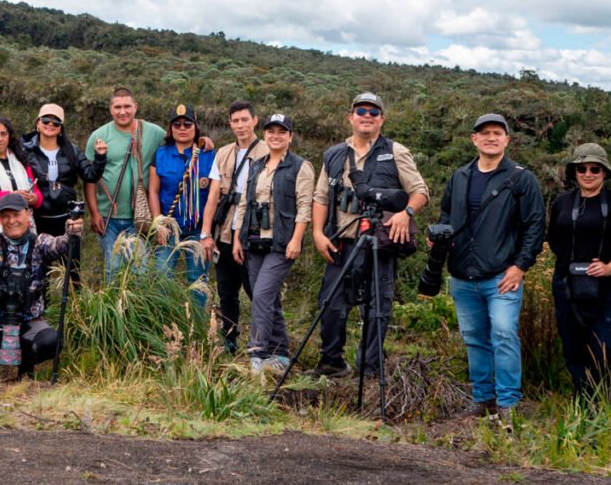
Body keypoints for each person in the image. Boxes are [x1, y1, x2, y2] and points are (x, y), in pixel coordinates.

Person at [310, 92, 429, 378]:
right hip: (341, 241)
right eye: (361, 111)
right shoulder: (334, 154)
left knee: (378, 306)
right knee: (332, 303)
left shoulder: (396, 151)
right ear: (350, 117)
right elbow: (320, 197)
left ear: (382, 120)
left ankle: (369, 369)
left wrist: (406, 213)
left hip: (380, 243)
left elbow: (420, 192)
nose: (367, 116)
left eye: (373, 112)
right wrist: (316, 233)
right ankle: (332, 363)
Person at [439, 113, 544, 419]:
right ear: (474, 139)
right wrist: (441, 236)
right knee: (474, 337)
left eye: (497, 133)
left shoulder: (522, 179)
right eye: (484, 133)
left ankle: (508, 403)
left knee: (503, 334)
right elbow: (447, 215)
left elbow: (535, 226)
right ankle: (482, 399)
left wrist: (520, 266)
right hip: (462, 274)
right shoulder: (459, 177)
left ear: (507, 140)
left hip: (501, 275)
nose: (491, 137)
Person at [0, 193, 83, 383]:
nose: (12, 221)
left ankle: (25, 366)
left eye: (16, 214)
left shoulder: (39, 243)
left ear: (28, 214)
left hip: (28, 323)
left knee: (52, 341)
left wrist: (71, 232)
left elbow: (60, 245)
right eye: (6, 216)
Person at [547, 143, 611, 396]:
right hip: (567, 285)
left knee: (605, 345)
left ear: (604, 172)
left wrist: (609, 268)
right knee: (573, 344)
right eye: (581, 169)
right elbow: (553, 239)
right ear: (574, 172)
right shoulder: (562, 202)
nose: (588, 174)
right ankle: (583, 398)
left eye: (594, 169)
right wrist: (573, 266)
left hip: (607, 287)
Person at [232, 114, 314, 372]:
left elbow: (304, 206)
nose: (275, 135)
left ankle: (258, 352)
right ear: (265, 134)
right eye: (271, 131)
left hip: (281, 242)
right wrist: (237, 238)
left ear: (290, 136)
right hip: (254, 240)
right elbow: (244, 203)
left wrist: (297, 239)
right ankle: (281, 353)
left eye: (282, 131)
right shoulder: (256, 165)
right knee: (266, 298)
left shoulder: (301, 166)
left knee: (263, 295)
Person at [200, 101, 269, 352]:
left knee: (256, 291)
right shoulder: (224, 153)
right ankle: (229, 340)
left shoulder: (266, 151)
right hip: (224, 231)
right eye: (235, 121)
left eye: (244, 120)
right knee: (226, 291)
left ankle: (265, 343)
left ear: (254, 120)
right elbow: (213, 196)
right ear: (230, 123)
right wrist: (206, 234)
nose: (240, 125)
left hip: (254, 232)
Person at [85, 87, 167, 279]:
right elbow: (90, 179)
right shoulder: (99, 136)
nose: (123, 112)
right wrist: (94, 213)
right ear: (110, 109)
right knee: (112, 269)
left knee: (140, 270)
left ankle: (136, 309)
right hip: (108, 217)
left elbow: (180, 139)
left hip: (139, 218)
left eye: (127, 106)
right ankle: (114, 308)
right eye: (118, 107)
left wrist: (202, 140)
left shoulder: (153, 132)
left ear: (135, 107)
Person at [149, 104, 216, 308]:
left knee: (197, 283)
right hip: (169, 229)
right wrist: (158, 222)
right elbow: (153, 190)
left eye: (187, 123)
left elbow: (214, 195)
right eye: (177, 124)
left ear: (195, 126)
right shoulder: (160, 154)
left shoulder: (208, 154)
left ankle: (197, 328)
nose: (182, 128)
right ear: (171, 128)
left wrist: (207, 233)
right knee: (162, 278)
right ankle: (164, 326)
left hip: (197, 229)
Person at [22, 103, 107, 236]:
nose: (50, 124)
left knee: (68, 256)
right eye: (45, 120)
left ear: (61, 128)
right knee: (36, 255)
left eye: (56, 122)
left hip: (67, 218)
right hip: (35, 217)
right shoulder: (25, 152)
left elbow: (90, 176)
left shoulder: (72, 150)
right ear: (37, 124)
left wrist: (100, 157)